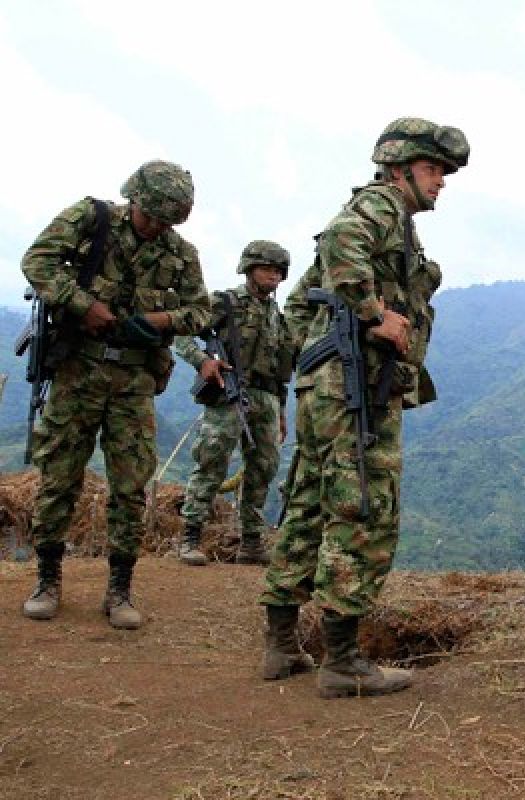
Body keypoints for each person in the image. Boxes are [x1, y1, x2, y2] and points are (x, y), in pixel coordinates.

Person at [258, 118, 469, 697]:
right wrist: (374, 317)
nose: (442, 182)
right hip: (354, 387)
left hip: (327, 385)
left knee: (309, 502)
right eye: (433, 170)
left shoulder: (389, 221)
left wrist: (313, 360)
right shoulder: (379, 208)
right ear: (400, 169)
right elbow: (339, 244)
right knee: (364, 508)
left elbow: (303, 301)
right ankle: (343, 662)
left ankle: (281, 646)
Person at [20, 160, 210, 629]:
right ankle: (47, 580)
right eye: (151, 216)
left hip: (133, 383)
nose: (157, 227)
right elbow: (37, 261)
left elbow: (201, 313)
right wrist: (84, 306)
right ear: (135, 200)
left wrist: (161, 321)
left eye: (168, 221)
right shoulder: (91, 220)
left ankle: (119, 590)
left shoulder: (181, 254)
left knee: (130, 487)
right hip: (77, 372)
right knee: (59, 476)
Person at [175, 241, 296, 567]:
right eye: (266, 268)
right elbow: (181, 333)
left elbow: (280, 369)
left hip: (266, 398)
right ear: (249, 269)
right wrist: (202, 361)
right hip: (228, 394)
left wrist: (281, 411)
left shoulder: (277, 317)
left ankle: (252, 543)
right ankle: (190, 536)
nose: (273, 275)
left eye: (278, 270)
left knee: (263, 468)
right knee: (212, 461)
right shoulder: (224, 303)